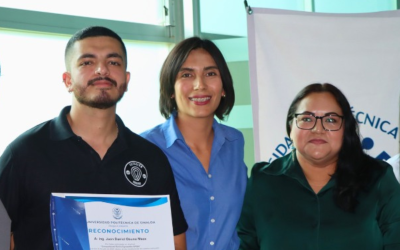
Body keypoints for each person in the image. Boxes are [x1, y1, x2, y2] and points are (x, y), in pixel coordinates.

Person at [0, 26, 187, 250]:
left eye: (113, 62)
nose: (102, 70)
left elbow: (174, 241)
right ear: (67, 80)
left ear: (126, 80)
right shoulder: (23, 154)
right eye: (87, 62)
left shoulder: (151, 158)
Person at [237, 83, 400, 250]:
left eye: (331, 120)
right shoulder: (262, 182)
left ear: (346, 129)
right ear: (290, 128)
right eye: (307, 119)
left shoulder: (378, 179)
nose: (317, 129)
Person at [141, 37, 247, 249]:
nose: (200, 85)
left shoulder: (235, 142)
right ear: (171, 89)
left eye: (210, 74)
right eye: (187, 75)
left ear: (224, 87)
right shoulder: (146, 148)